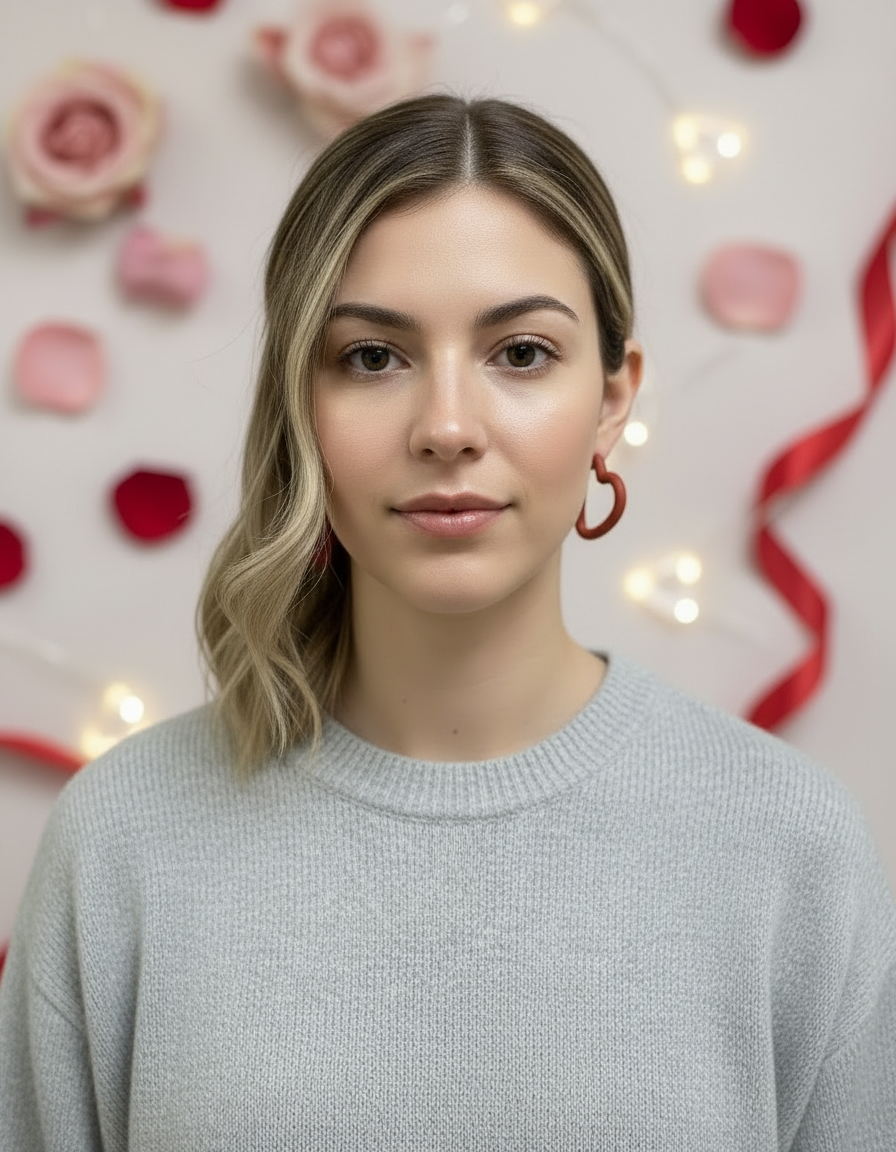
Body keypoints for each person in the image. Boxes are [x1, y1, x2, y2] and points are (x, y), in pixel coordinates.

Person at [1, 93, 894, 1151]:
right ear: (298, 401)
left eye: (519, 353)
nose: (447, 428)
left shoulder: (791, 849)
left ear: (613, 398)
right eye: (372, 358)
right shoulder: (122, 844)